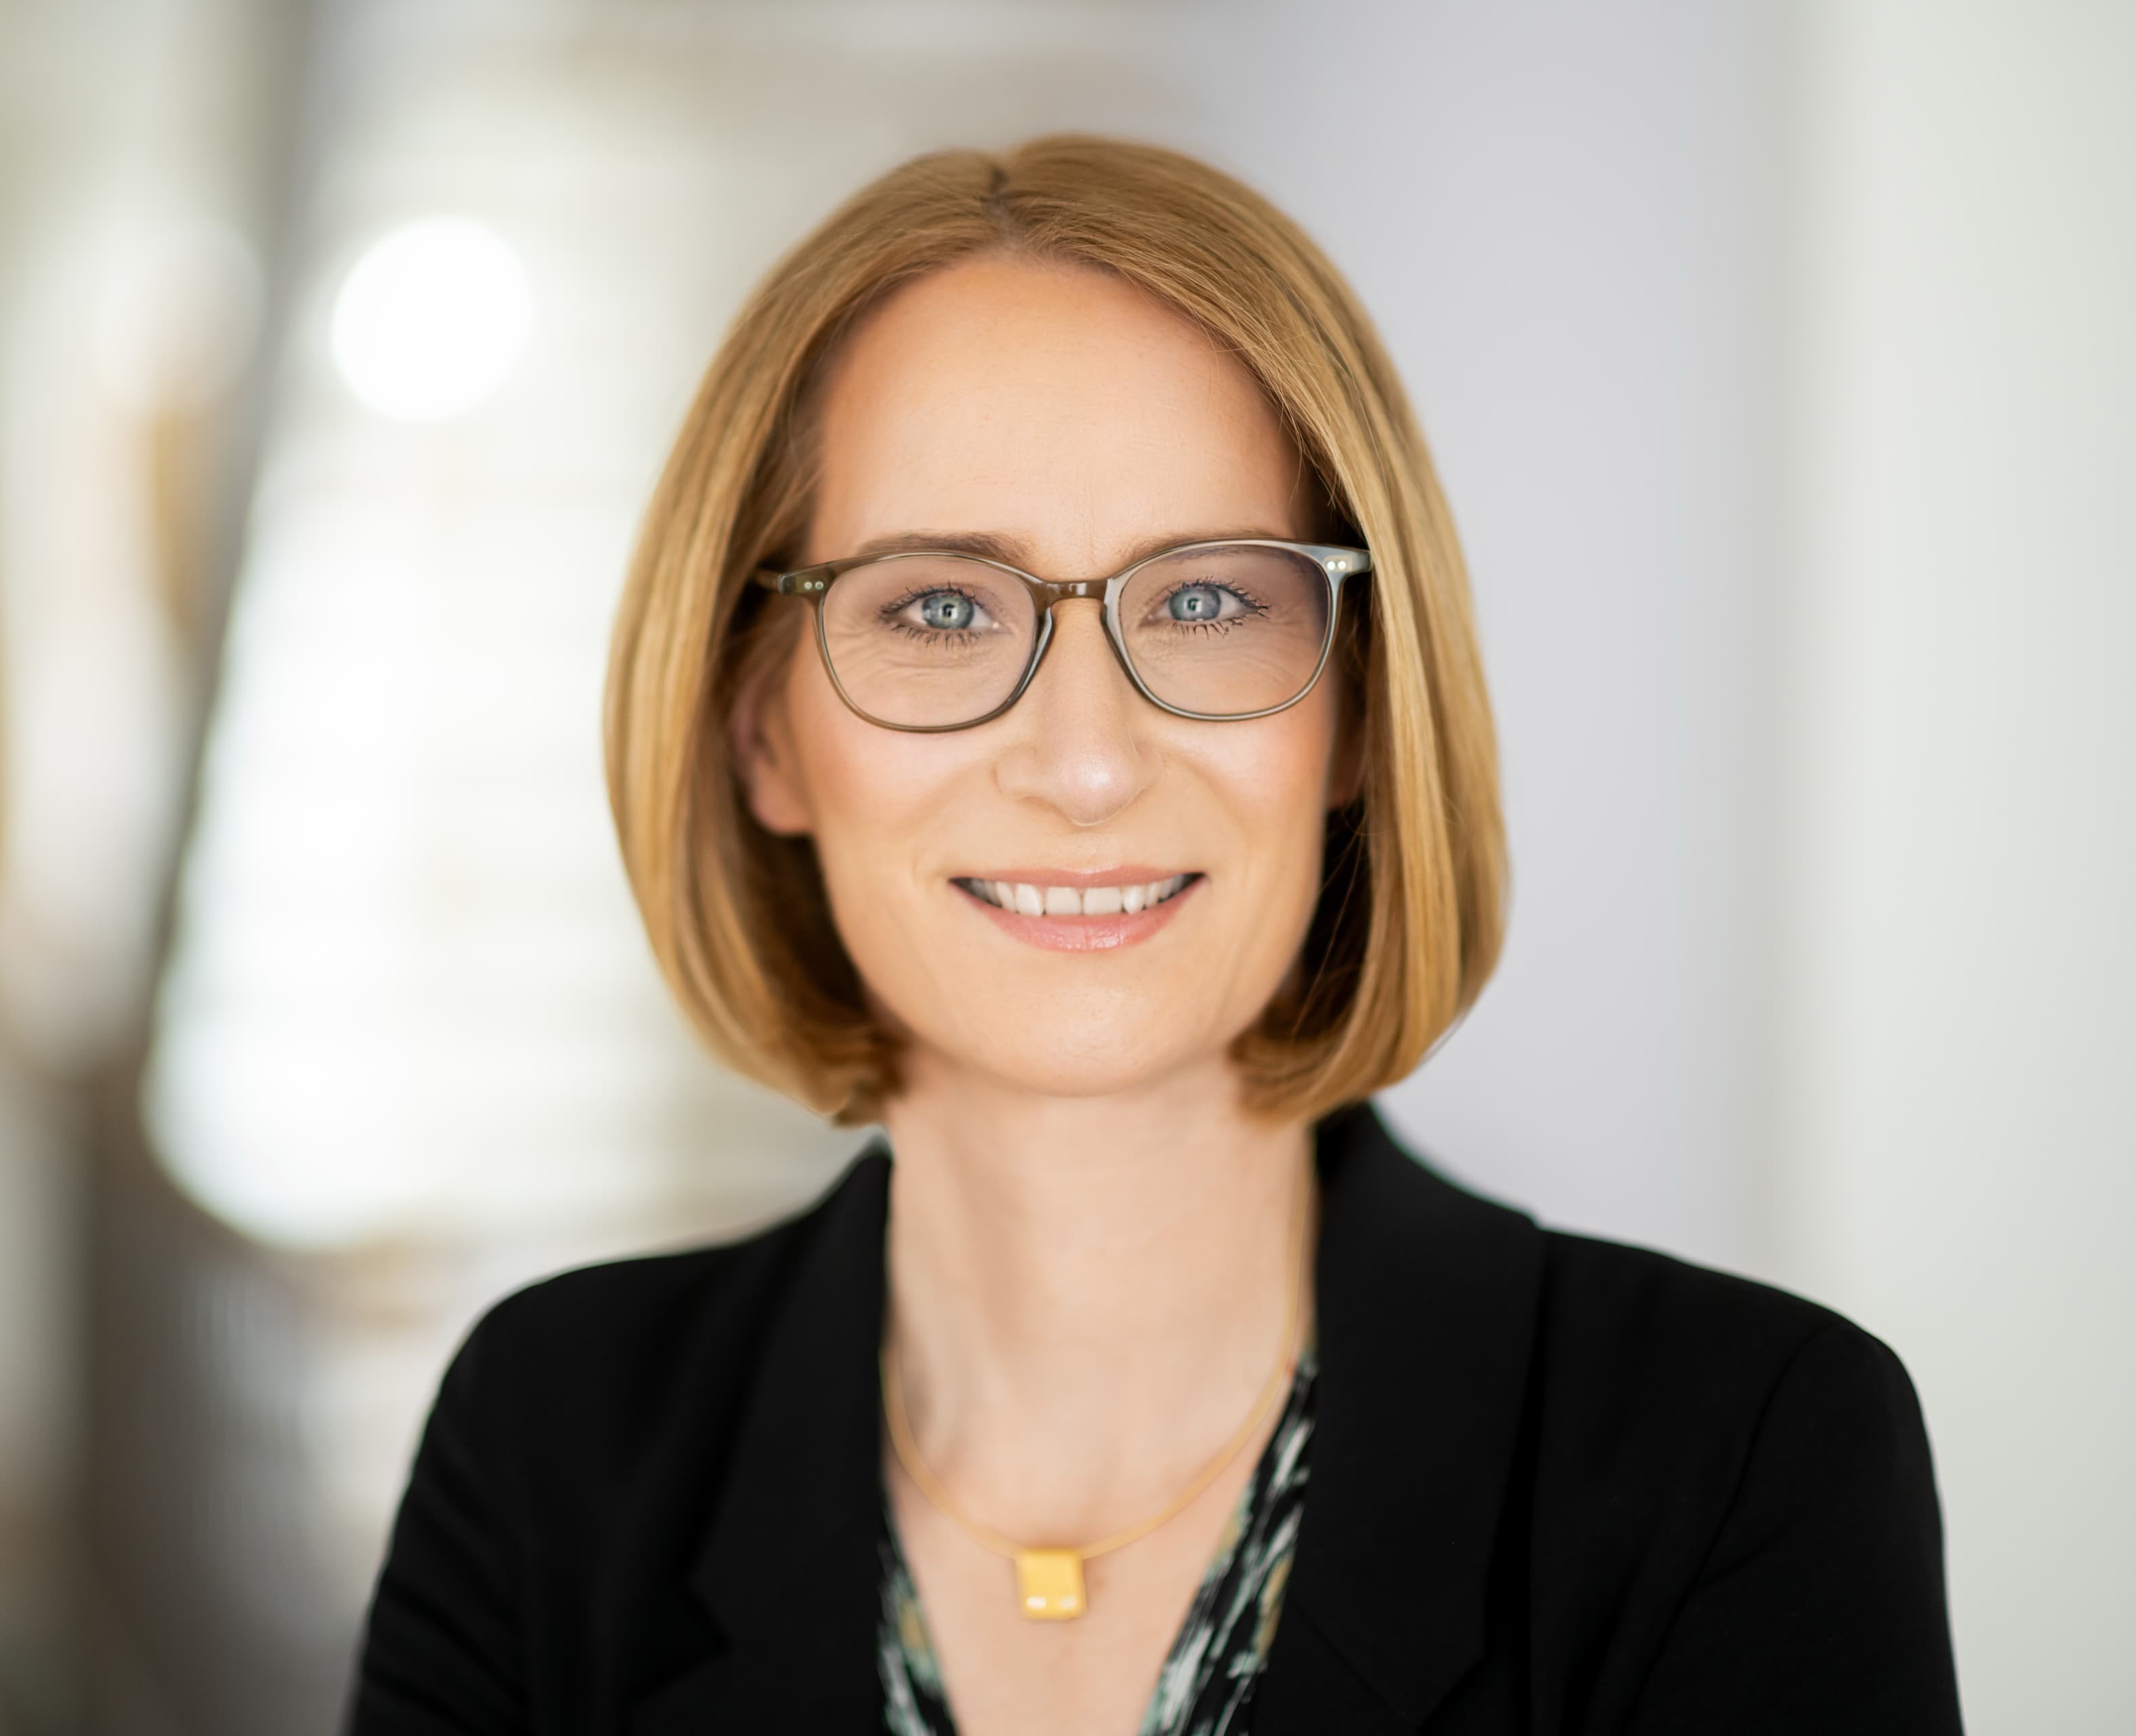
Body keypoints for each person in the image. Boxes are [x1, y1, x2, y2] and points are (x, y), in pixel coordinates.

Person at [347, 136, 1960, 1735]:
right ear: (760, 731)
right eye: (937, 607)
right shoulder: (548, 1438)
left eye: (1203, 600)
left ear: (1352, 716)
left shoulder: (1742, 1449)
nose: (1090, 762)